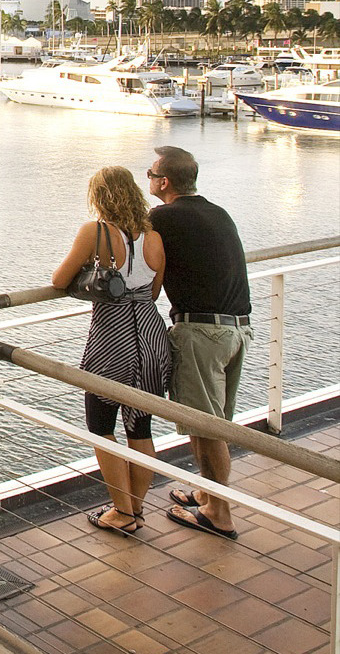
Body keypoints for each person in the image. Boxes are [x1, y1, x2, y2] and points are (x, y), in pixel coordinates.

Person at [52, 166, 171, 536]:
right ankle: (135, 507)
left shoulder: (95, 232)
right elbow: (152, 293)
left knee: (101, 427)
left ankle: (121, 511)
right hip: (152, 337)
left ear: (99, 197)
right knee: (141, 427)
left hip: (111, 340)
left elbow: (58, 280)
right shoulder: (154, 238)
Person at [148, 145, 252, 540]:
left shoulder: (163, 217)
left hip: (202, 333)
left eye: (151, 173)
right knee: (213, 423)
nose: (150, 179)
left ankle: (219, 514)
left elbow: (136, 253)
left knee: (206, 428)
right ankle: (208, 496)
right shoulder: (218, 211)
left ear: (165, 181)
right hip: (237, 329)